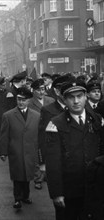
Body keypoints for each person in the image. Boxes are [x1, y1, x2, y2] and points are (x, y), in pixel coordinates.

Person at [45, 79, 104, 220]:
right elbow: (53, 162)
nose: (76, 101)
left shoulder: (97, 120)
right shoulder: (55, 124)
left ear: (86, 97)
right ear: (64, 100)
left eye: (79, 96)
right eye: (71, 97)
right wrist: (56, 193)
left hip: (95, 189)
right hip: (69, 190)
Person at [0, 87, 40, 210]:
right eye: (18, 99)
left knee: (27, 175)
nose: (20, 102)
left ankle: (26, 196)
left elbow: (39, 135)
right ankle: (17, 199)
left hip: (30, 151)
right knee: (17, 175)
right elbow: (4, 135)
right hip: (15, 150)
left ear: (29, 101)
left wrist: (40, 153)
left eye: (23, 100)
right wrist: (3, 152)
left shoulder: (36, 115)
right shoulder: (8, 115)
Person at [28, 79, 55, 190]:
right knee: (37, 157)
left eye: (43, 89)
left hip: (50, 131)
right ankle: (38, 179)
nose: (41, 92)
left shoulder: (51, 100)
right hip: (36, 132)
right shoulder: (29, 103)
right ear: (33, 91)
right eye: (38, 90)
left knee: (50, 154)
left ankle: (48, 176)